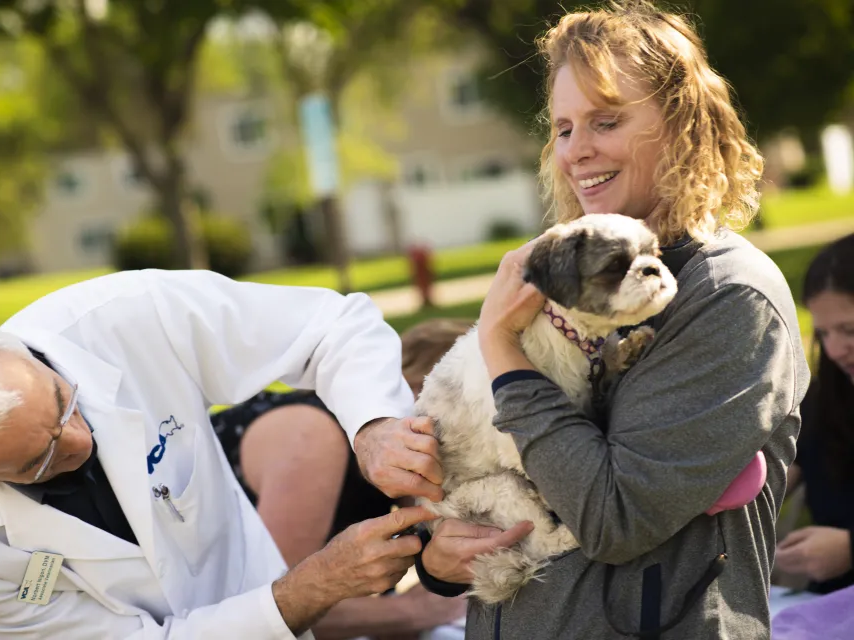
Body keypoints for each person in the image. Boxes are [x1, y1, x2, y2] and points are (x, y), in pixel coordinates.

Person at [355, 3, 809, 638]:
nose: (577, 150)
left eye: (607, 120)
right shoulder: (569, 281)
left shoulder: (730, 298)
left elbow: (614, 518)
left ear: (681, 124)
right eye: (564, 128)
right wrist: (440, 556)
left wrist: (500, 345)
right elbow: (495, 466)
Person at [0, 269, 449, 639]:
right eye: (38, 459)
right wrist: (315, 585)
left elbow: (331, 326)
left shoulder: (127, 314)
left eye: (64, 401)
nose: (81, 440)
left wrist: (374, 424)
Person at [211, 318, 475, 640]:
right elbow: (273, 611)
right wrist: (412, 612)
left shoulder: (388, 448)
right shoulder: (312, 436)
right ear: (421, 387)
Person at [775, 233, 854, 594]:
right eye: (823, 333)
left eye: (848, 330)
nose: (836, 349)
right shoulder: (829, 396)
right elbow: (784, 471)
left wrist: (849, 550)